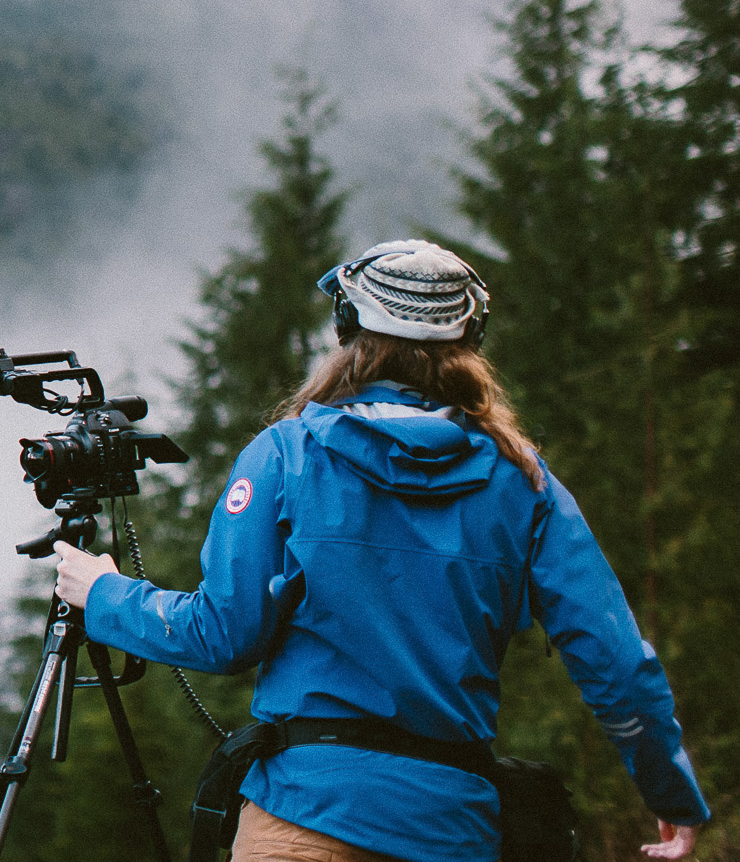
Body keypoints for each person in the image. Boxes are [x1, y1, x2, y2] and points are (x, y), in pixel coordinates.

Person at [53, 239, 710, 862]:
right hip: (452, 828)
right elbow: (617, 662)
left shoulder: (288, 452)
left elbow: (224, 633)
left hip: (302, 817)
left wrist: (106, 593)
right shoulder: (524, 480)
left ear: (348, 329)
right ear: (470, 340)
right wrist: (669, 790)